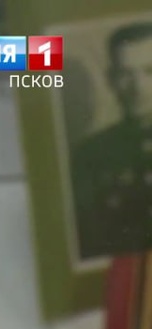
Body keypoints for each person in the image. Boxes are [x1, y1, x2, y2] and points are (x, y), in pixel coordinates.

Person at [70, 21, 152, 258]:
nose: (138, 87)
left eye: (150, 71)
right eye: (126, 74)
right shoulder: (88, 157)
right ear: (111, 80)